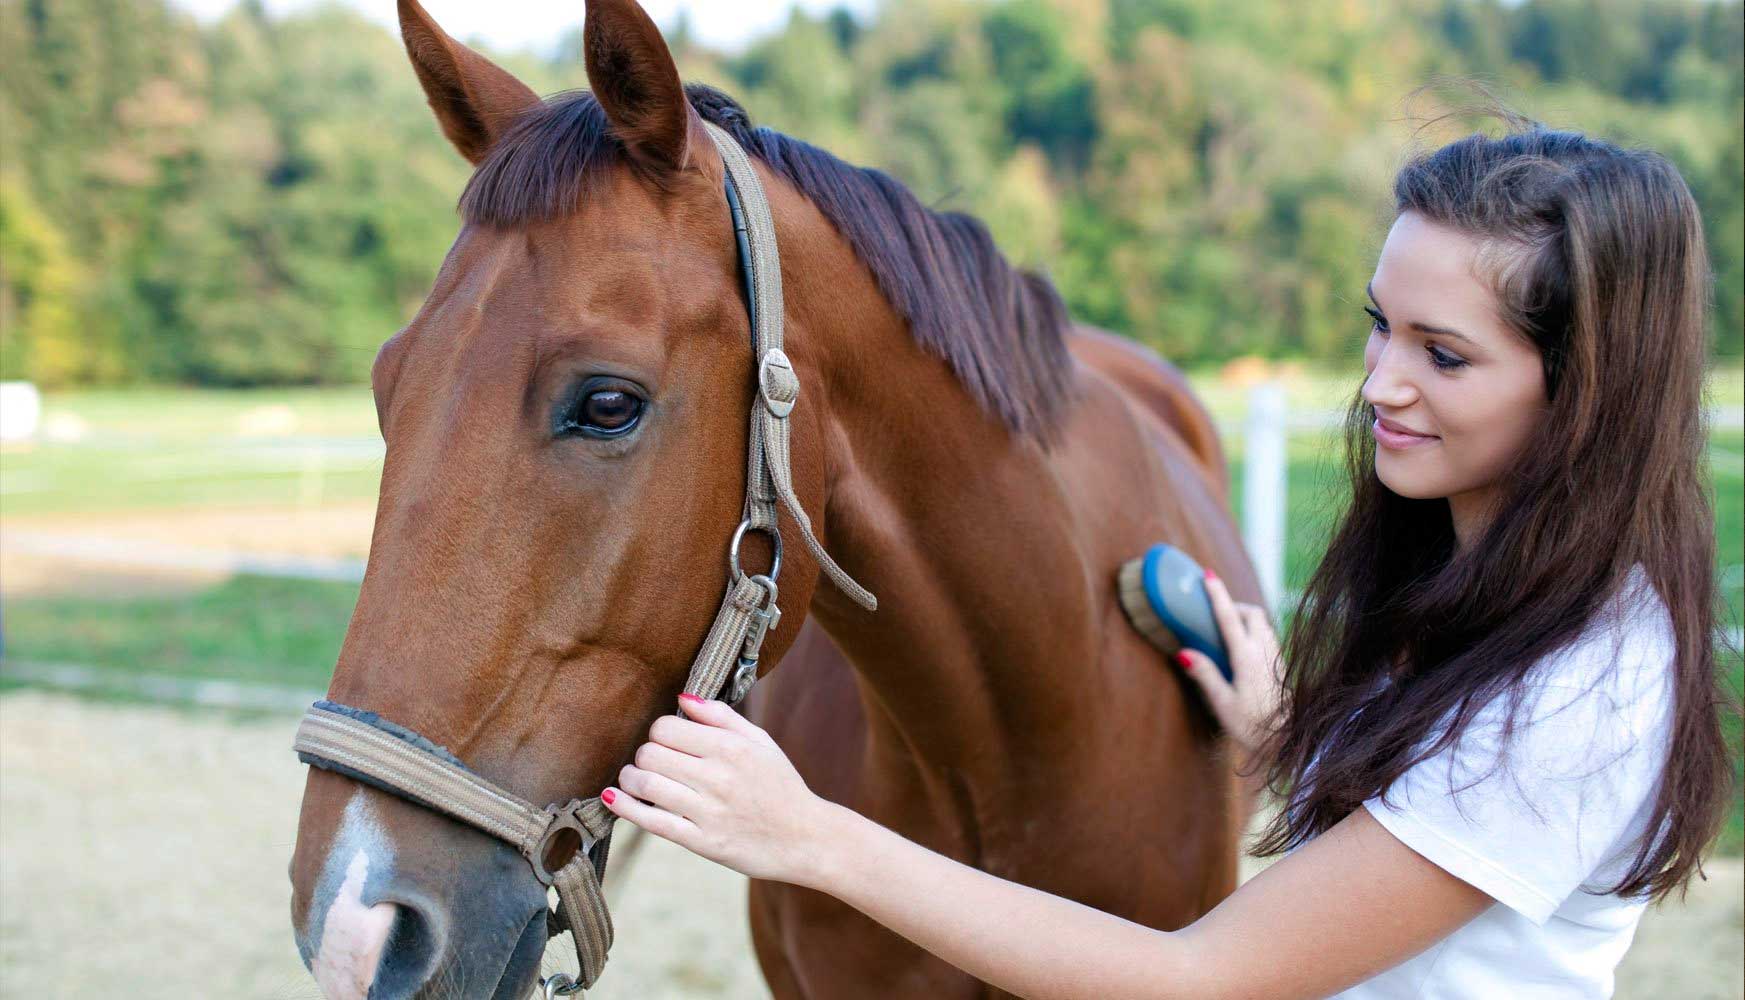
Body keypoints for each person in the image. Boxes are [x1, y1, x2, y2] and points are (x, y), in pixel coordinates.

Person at [600, 121, 1736, 998]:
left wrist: (810, 836)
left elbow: (1197, 979)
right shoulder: (1477, 584)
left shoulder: (1580, 681)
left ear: (1585, 393)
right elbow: (1417, 837)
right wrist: (1293, 733)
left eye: (1442, 355)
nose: (1381, 381)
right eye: (1378, 323)